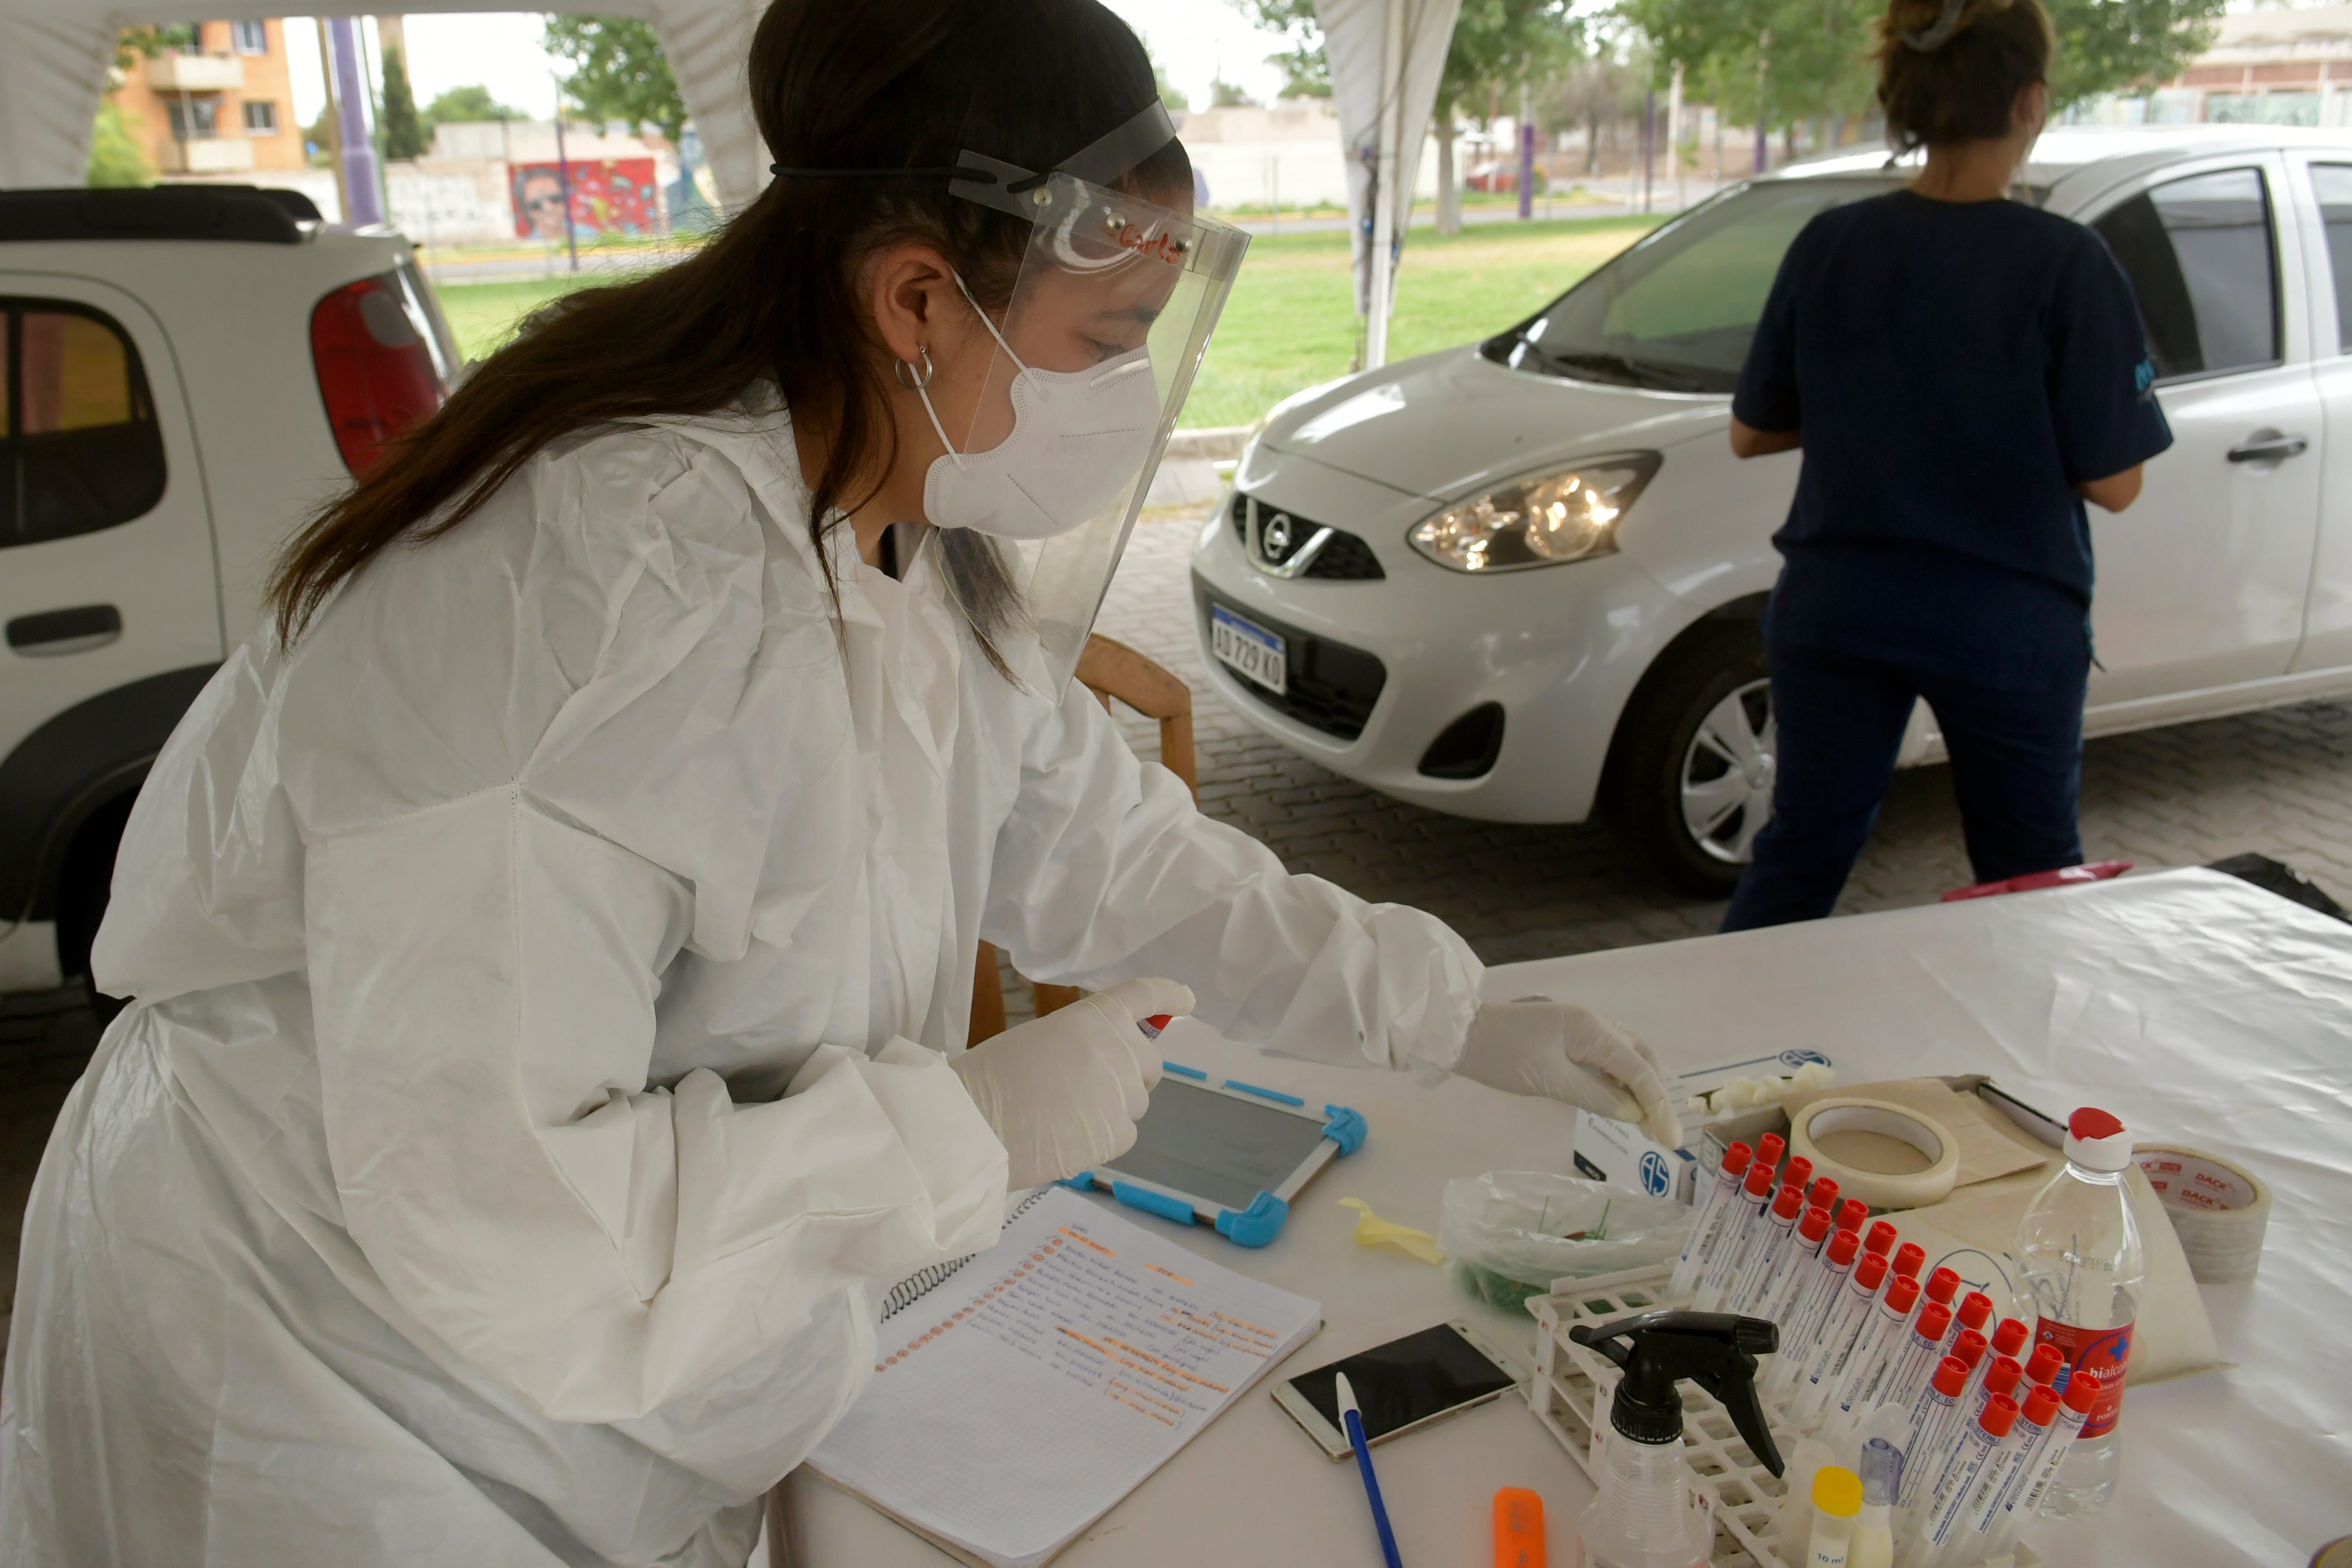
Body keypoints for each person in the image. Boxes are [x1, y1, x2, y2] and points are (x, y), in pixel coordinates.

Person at [0, 3, 1679, 1564]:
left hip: (578, 1348)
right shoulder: (598, 596)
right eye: (1105, 338)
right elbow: (503, 1208)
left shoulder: (894, 517)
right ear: (915, 300)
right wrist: (966, 1125)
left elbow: (1112, 852)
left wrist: (1450, 1008)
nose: (1128, 396)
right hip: (317, 1343)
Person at [1718, 0, 2173, 932]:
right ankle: (2018, 1069)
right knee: (2028, 882)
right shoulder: (2067, 264)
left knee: (1798, 859)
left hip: (1837, 604)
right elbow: (2115, 483)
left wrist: (1882, 403)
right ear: (2031, 100)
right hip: (2002, 618)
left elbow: (1751, 433)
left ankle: (1700, 1066)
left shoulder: (1830, 244)